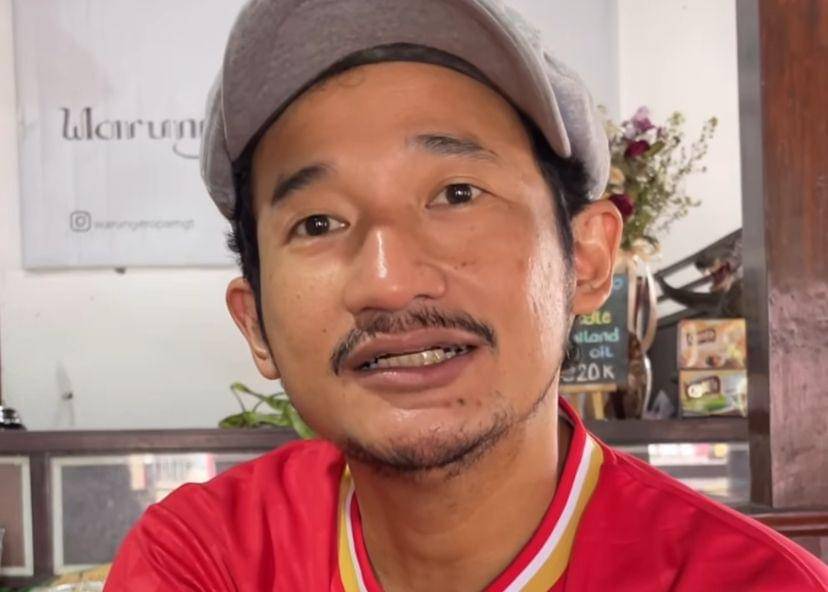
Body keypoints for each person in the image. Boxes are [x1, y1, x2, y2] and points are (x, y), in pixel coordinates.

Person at [106, 1, 828, 590]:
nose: (388, 280)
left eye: (456, 194)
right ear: (255, 325)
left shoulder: (749, 583)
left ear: (585, 260)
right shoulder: (205, 560)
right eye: (318, 223)